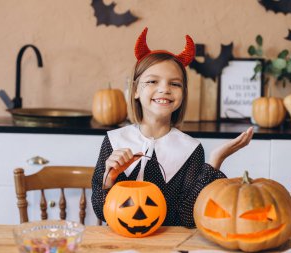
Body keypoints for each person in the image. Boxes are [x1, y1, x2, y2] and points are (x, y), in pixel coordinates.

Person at [91, 27, 254, 228]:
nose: (164, 89)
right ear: (134, 90)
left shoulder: (191, 150)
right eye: (152, 81)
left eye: (175, 84)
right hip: (123, 244)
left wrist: (215, 162)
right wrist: (110, 178)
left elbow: (188, 218)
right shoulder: (115, 141)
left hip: (170, 243)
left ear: (183, 94)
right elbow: (102, 211)